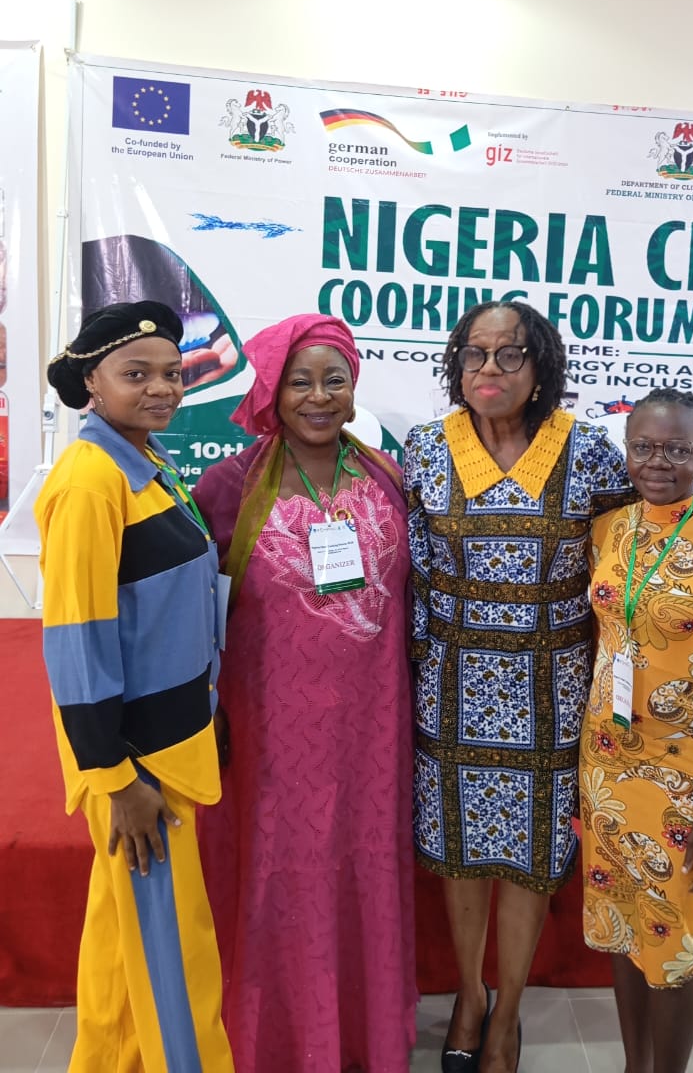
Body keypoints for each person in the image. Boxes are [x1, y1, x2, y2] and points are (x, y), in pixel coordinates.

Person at [403, 301, 635, 1073]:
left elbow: (627, 562)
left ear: (541, 369)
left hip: (551, 688)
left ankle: (507, 1011)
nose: (489, 370)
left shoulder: (589, 451)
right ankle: (469, 996)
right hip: (451, 683)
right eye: (474, 354)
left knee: (529, 850)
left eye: (510, 355)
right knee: (461, 849)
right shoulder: (425, 448)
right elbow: (409, 572)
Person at [192, 313, 416, 1073]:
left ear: (354, 389)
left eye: (334, 380)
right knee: (281, 874)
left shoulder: (388, 477)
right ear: (271, 390)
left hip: (372, 726)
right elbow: (194, 613)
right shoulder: (228, 487)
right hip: (271, 731)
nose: (318, 397)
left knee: (362, 863)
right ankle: (278, 1041)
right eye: (299, 382)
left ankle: (362, 1037)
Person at [35, 301, 233, 1073]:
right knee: (173, 958)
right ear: (93, 382)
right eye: (137, 374)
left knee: (125, 943)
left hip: (167, 743)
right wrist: (116, 779)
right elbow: (77, 642)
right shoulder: (91, 481)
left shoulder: (143, 464)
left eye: (173, 375)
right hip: (136, 761)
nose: (162, 388)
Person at [579, 388, 693, 1073]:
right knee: (624, 925)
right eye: (644, 447)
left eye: (677, 450)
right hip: (606, 763)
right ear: (626, 450)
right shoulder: (609, 530)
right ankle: (635, 1064)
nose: (658, 462)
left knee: (671, 941)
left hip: (684, 773)